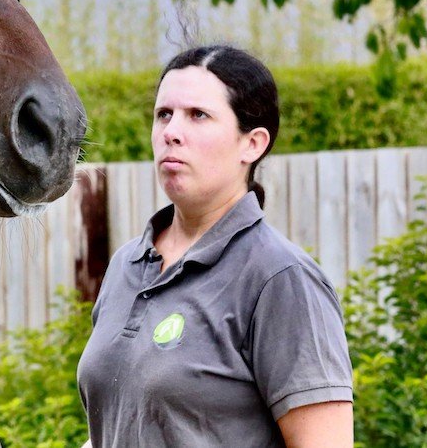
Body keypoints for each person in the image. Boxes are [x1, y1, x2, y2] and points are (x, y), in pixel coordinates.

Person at [76, 45, 353, 447]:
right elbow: (116, 430)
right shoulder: (126, 266)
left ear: (253, 144)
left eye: (198, 115)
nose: (171, 132)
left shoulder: (280, 278)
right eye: (163, 114)